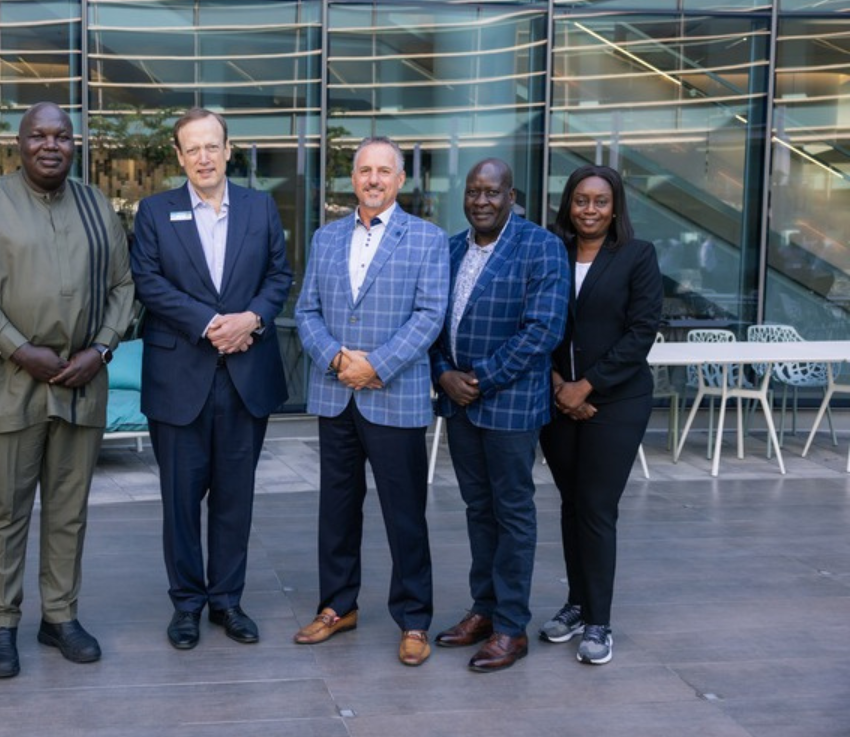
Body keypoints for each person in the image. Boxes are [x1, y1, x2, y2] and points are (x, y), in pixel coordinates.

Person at [0, 102, 134, 679]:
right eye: (38, 136)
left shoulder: (95, 204)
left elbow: (124, 285)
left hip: (82, 382)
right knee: (6, 511)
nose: (50, 145)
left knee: (68, 508)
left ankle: (60, 617)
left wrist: (101, 349)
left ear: (74, 144)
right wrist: (18, 348)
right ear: (19, 142)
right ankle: (0, 624)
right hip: (10, 382)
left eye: (61, 136)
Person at [130, 108, 292, 650]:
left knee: (234, 498)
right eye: (191, 148)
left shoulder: (261, 206)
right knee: (180, 500)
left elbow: (279, 275)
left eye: (211, 146)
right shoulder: (155, 212)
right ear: (179, 156)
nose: (203, 157)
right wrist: (210, 325)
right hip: (181, 377)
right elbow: (148, 283)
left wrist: (252, 319)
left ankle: (227, 600)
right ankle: (187, 605)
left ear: (228, 150)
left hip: (246, 375)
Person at [293, 137, 449, 667]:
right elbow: (307, 310)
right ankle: (338, 606)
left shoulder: (427, 239)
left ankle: (414, 619)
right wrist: (340, 361)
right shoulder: (325, 237)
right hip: (336, 396)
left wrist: (376, 365)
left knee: (404, 514)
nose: (374, 179)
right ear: (352, 178)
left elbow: (430, 315)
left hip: (394, 395)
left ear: (401, 179)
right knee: (336, 511)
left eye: (385, 171)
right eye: (365, 170)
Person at [430, 158, 569, 672]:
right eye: (473, 192)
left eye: (492, 192)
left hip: (508, 403)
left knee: (512, 513)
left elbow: (543, 330)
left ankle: (511, 626)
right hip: (459, 401)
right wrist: (443, 372)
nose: (481, 201)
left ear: (512, 196)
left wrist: (479, 379)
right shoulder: (449, 249)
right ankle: (483, 610)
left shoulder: (541, 246)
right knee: (477, 509)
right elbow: (432, 321)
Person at [537, 165, 663, 665]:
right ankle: (575, 604)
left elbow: (641, 331)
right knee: (571, 504)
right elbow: (534, 322)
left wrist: (585, 387)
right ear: (568, 204)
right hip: (555, 399)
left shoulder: (637, 256)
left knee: (596, 506)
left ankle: (599, 622)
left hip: (618, 400)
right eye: (581, 200)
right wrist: (559, 387)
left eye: (600, 201)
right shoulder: (552, 251)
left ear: (616, 208)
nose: (590, 210)